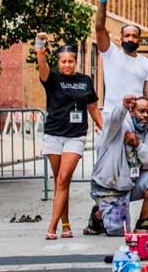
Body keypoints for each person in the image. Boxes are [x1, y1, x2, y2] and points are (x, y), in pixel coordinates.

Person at [35, 34, 100, 240]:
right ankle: (66, 224)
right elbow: (42, 64)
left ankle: (51, 227)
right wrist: (40, 46)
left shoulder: (85, 81)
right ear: (59, 62)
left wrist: (104, 128)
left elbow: (93, 108)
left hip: (75, 136)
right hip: (53, 134)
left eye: (70, 61)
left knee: (63, 179)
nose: (67, 65)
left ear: (75, 61)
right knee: (60, 184)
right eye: (63, 61)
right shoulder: (52, 78)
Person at [84, 95, 148, 236]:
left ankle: (143, 221)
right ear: (132, 111)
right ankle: (97, 216)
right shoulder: (118, 127)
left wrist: (139, 145)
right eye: (142, 111)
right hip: (108, 187)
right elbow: (113, 119)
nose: (146, 115)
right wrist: (122, 107)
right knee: (117, 232)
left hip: (130, 184)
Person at [94, 0, 148, 108]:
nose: (130, 39)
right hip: (112, 116)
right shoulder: (110, 53)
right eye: (127, 36)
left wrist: (142, 120)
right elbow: (100, 28)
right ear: (121, 38)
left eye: (134, 36)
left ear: (139, 40)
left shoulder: (147, 63)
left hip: (134, 118)